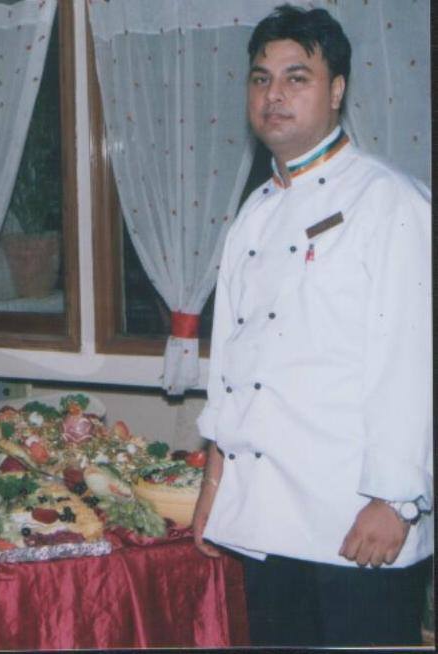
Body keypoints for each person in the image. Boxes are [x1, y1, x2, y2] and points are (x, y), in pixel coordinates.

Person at [192, 4, 432, 648]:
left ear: (337, 90)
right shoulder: (255, 209)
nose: (274, 95)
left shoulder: (389, 200)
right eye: (261, 78)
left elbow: (412, 361)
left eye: (296, 77)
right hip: (267, 521)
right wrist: (216, 484)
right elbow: (233, 365)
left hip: (358, 520)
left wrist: (397, 501)